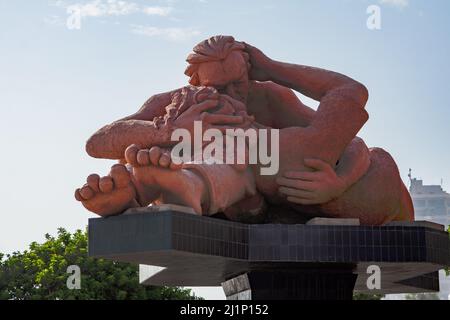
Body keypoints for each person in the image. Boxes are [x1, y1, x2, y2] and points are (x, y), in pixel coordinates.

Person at [75, 36, 413, 225]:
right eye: (217, 86)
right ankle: (143, 190)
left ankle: (159, 187)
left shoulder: (270, 100)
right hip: (237, 192)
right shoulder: (177, 103)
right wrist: (168, 129)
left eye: (238, 82)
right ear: (194, 81)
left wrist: (337, 182)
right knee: (186, 151)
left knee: (235, 156)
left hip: (325, 194)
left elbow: (350, 141)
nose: (230, 94)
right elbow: (97, 142)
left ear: (250, 73)